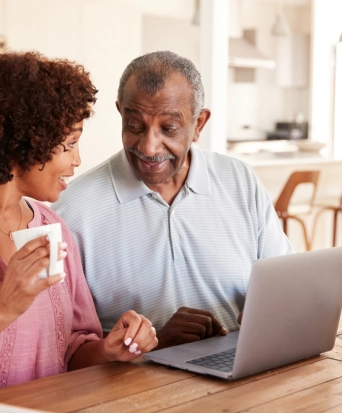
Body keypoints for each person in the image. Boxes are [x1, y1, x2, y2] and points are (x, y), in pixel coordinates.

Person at [53, 51, 293, 350]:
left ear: (199, 124)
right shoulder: (73, 211)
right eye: (135, 126)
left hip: (241, 369)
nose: (149, 147)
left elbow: (284, 283)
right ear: (120, 114)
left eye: (169, 128)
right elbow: (62, 346)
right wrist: (151, 344)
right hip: (135, 387)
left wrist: (267, 312)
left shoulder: (240, 181)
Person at [0, 51, 157, 387]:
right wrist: (5, 308)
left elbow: (70, 352)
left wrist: (108, 350)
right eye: (70, 144)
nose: (78, 160)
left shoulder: (53, 230)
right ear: (27, 141)